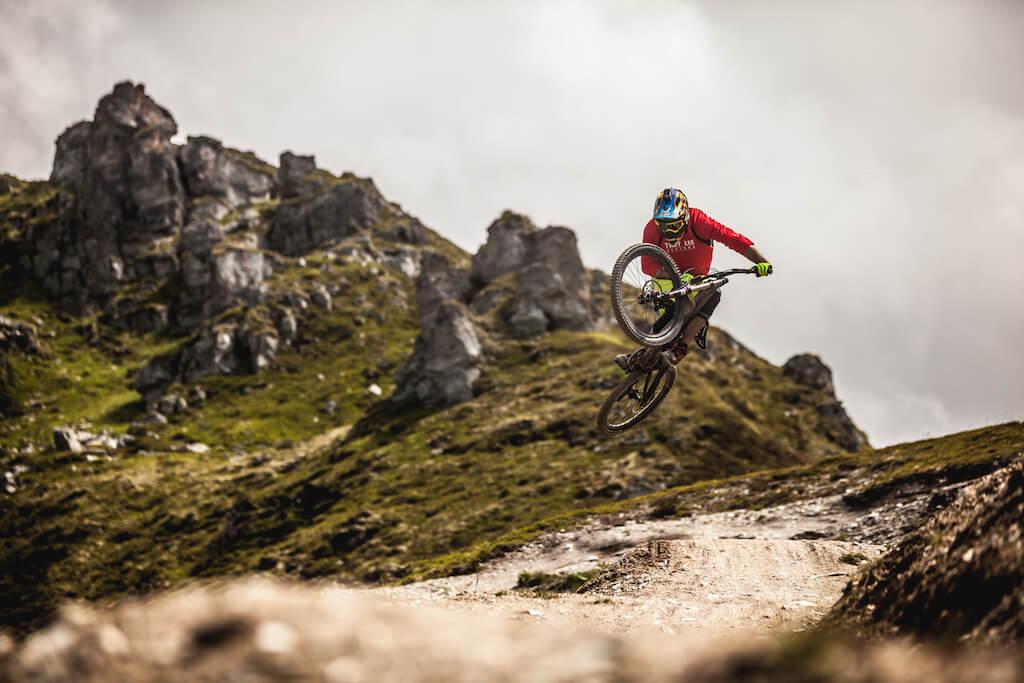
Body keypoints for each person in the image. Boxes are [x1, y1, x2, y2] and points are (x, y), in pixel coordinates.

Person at [615, 187, 773, 371]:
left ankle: (681, 347)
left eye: (674, 225)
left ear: (686, 217)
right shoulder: (651, 228)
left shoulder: (699, 221)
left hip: (698, 278)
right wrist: (677, 275)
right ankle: (646, 353)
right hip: (667, 277)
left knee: (713, 294)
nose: (670, 233)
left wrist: (761, 262)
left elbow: (733, 239)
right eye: (664, 227)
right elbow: (647, 266)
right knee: (680, 306)